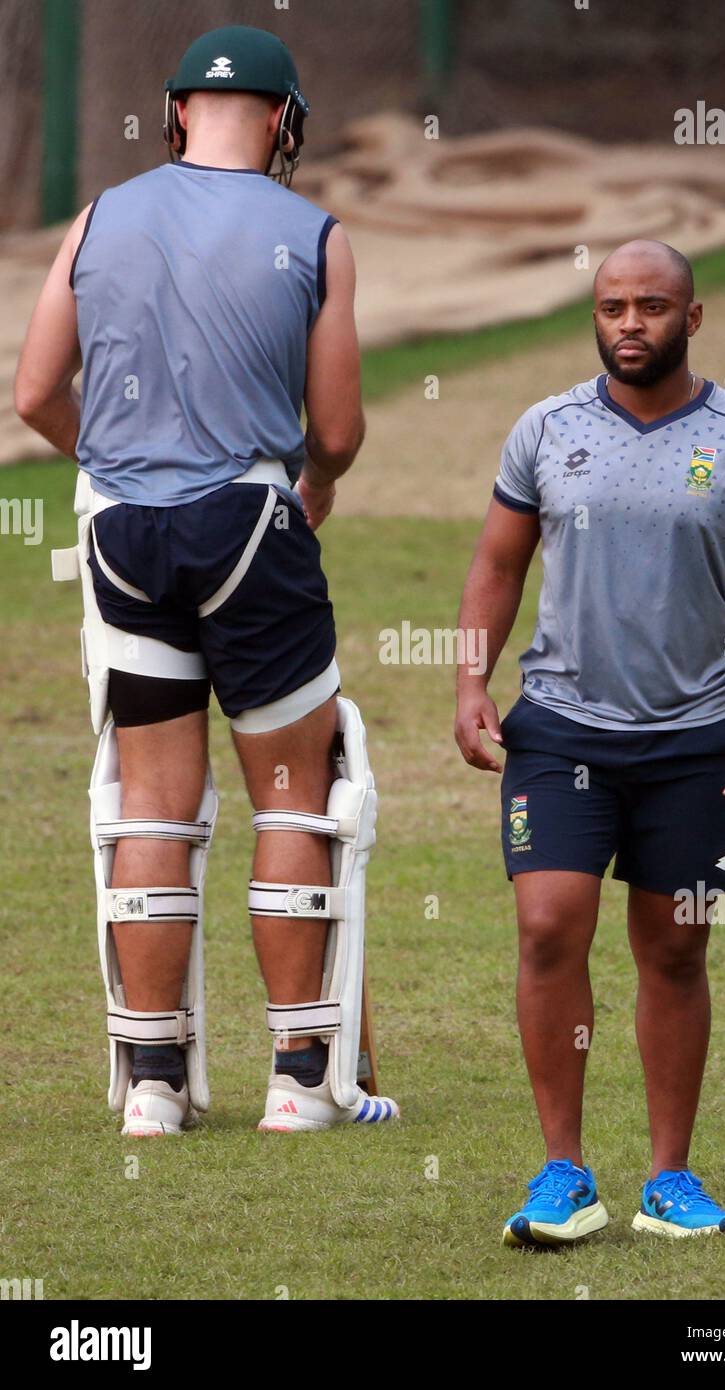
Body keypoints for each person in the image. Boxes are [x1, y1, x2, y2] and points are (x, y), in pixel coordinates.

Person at [15, 24, 397, 1137]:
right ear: (285, 123)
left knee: (150, 802)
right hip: (249, 524)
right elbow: (336, 427)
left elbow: (37, 392)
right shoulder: (317, 234)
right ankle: (297, 1079)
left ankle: (150, 1087)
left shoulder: (96, 217)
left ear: (178, 111)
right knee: (298, 787)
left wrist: (124, 459)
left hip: (123, 533)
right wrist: (313, 483)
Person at [454, 239, 725, 1244]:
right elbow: (497, 561)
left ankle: (669, 1178)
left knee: (673, 949)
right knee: (546, 925)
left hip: (694, 741)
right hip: (558, 728)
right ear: (593, 317)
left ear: (691, 319)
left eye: (652, 306)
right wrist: (465, 679)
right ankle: (560, 1173)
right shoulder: (544, 428)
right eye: (611, 306)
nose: (630, 323)